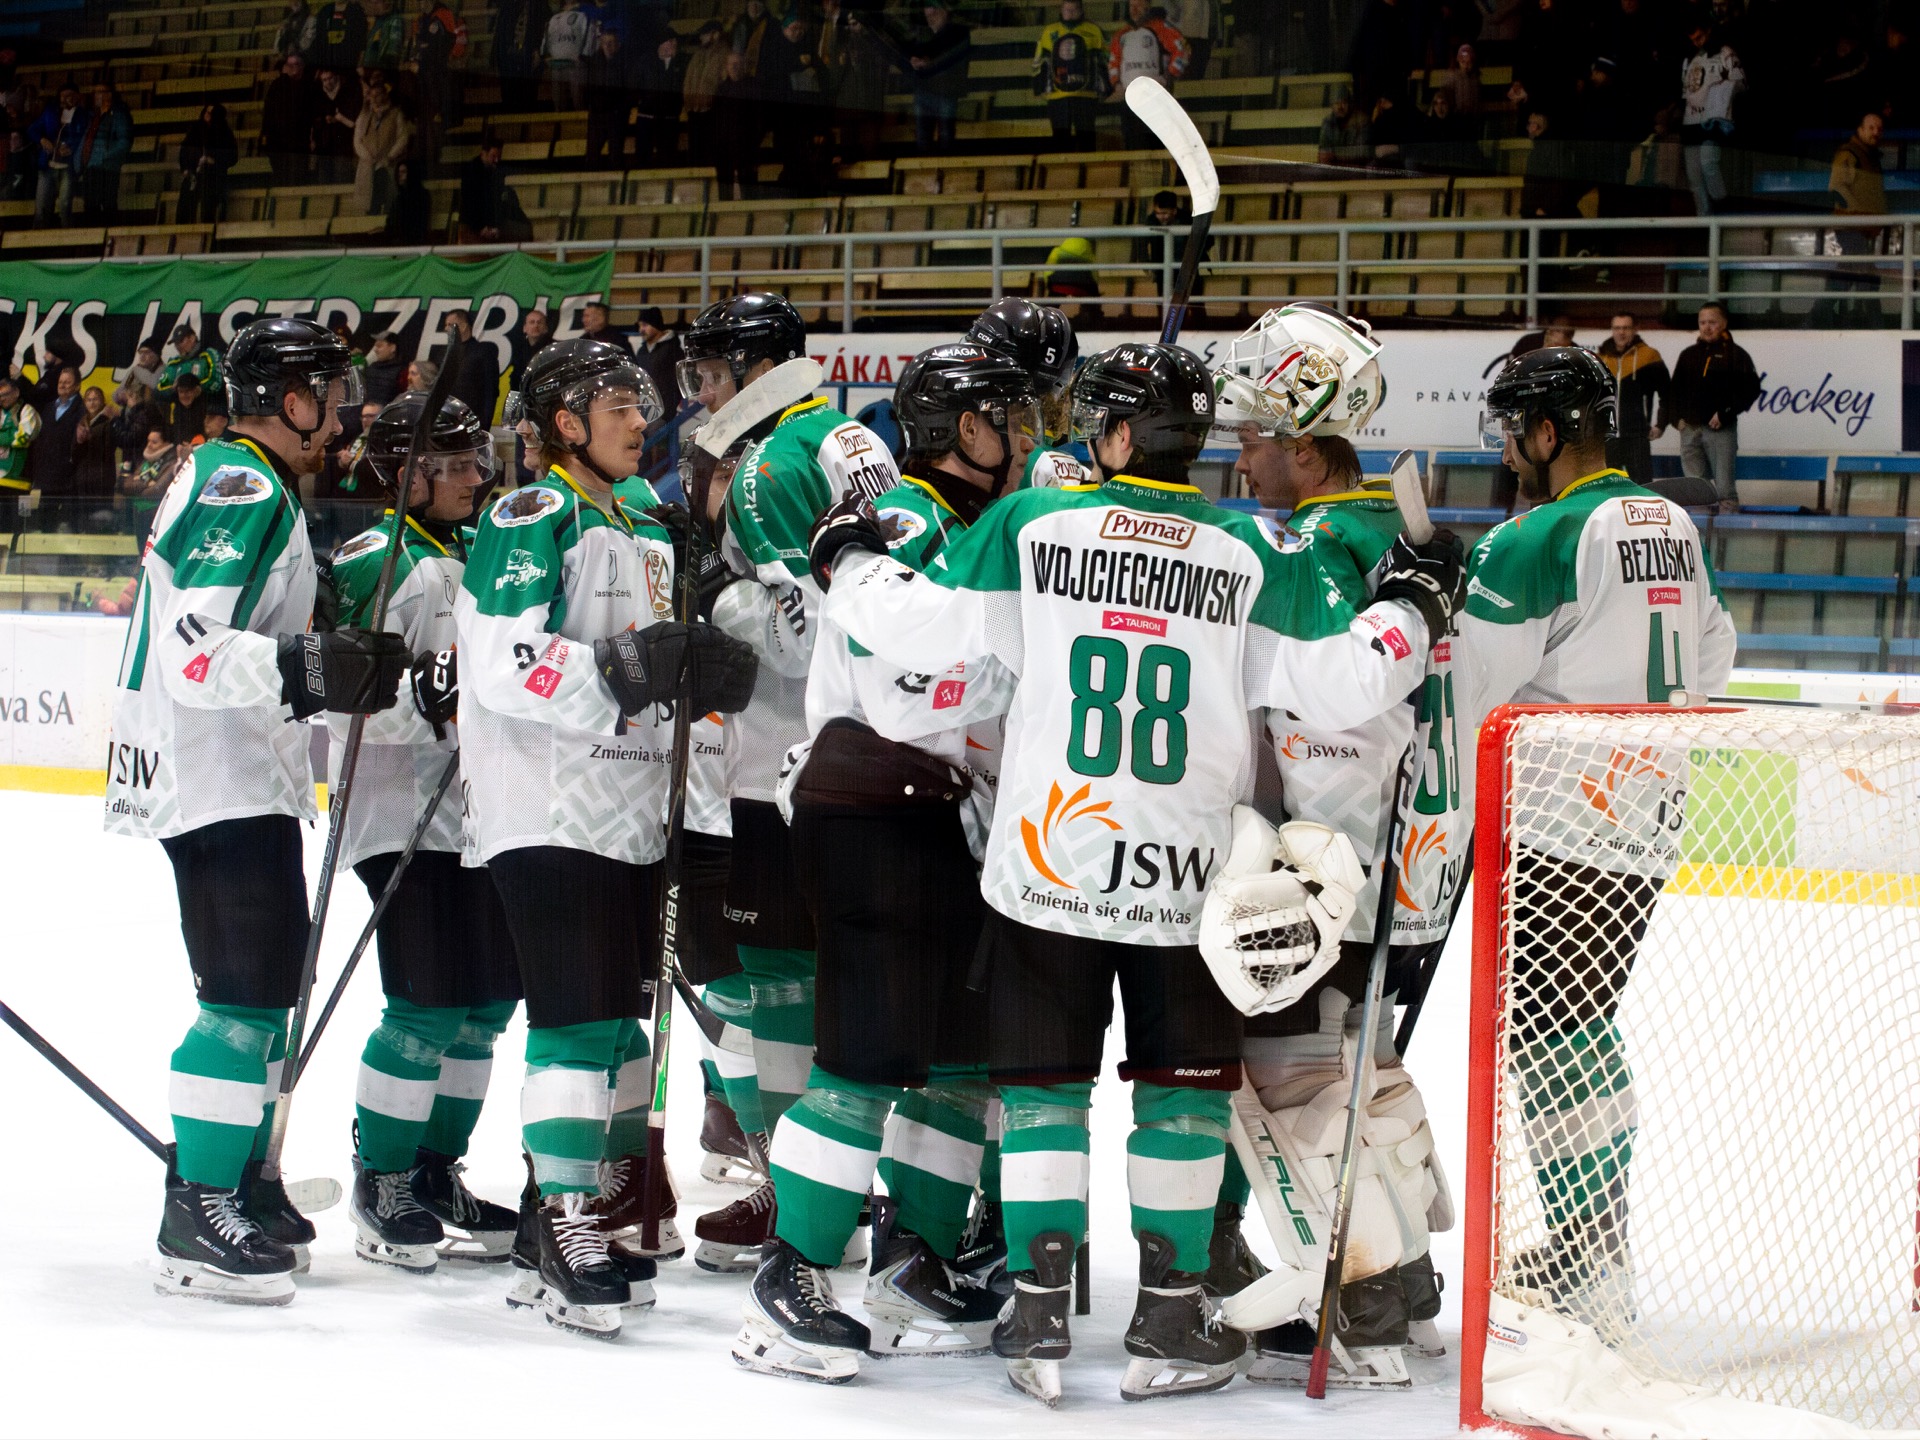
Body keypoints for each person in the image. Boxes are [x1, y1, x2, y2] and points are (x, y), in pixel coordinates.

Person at [807, 340, 1462, 1405]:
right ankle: (1167, 1319)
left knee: (1043, 1094)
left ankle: (1037, 1311)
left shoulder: (1034, 523)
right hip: (1185, 877)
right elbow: (1347, 685)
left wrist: (848, 556)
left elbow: (914, 630)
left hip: (1045, 865)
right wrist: (1415, 604)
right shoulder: (1252, 550)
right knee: (1182, 1099)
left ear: (1113, 435)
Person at [733, 343, 1040, 1380]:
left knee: (956, 1062)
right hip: (871, 808)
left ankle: (913, 1262)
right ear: (965, 428)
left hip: (939, 818)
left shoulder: (973, 524)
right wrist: (1021, 674)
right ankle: (790, 1276)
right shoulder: (907, 518)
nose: (1028, 435)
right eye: (1010, 416)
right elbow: (909, 691)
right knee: (863, 1057)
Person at [455, 337, 754, 1337]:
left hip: (630, 809)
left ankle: (571, 1211)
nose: (640, 421)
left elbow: (650, 670)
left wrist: (699, 677)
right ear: (566, 422)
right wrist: (622, 669)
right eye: (618, 405)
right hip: (546, 806)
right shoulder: (531, 514)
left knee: (620, 1031)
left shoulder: (643, 525)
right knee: (579, 1023)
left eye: (640, 404)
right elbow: (502, 662)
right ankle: (562, 1221)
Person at [103, 317, 403, 1307]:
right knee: (241, 997)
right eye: (330, 392)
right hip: (214, 774)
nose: (342, 413)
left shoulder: (243, 476)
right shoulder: (242, 483)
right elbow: (194, 647)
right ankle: (197, 1208)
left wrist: (315, 658)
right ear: (288, 398)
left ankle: (234, 1175)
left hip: (234, 771)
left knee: (265, 987)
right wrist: (306, 665)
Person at [1208, 303, 1459, 1387]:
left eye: (1254, 441)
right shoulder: (1400, 540)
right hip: (1411, 862)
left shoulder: (1318, 547)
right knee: (1364, 1066)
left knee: (1295, 1077)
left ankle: (1359, 1301)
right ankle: (1407, 1288)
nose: (1241, 460)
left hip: (1328, 868)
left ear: (1307, 452)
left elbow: (1338, 688)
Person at [1463, 346, 1737, 1327]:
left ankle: (1590, 1255)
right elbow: (1716, 647)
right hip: (1648, 813)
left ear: (1546, 433)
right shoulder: (1670, 519)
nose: (1506, 451)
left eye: (1511, 433)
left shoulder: (1535, 537)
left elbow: (1468, 692)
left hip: (1558, 821)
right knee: (1580, 1024)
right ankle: (1592, 1243)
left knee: (1553, 1033)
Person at [676, 293, 902, 1282]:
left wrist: (717, 591)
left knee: (777, 983)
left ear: (759, 367)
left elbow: (809, 634)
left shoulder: (770, 464)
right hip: (863, 757)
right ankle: (830, 1194)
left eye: (712, 372)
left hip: (785, 763)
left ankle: (796, 1195)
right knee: (807, 981)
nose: (702, 393)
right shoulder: (849, 435)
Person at [327, 393, 522, 1273]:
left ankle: (436, 1170)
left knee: (485, 1005)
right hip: (402, 814)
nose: (477, 476)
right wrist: (421, 693)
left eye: (478, 458)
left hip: (481, 815)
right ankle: (383, 1177)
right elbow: (343, 696)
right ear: (405, 476)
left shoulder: (477, 548)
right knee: (428, 1004)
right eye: (454, 463)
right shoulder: (378, 558)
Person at [1668, 301, 1758, 511]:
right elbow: (1674, 391)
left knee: (1725, 490)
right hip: (1689, 429)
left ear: (1724, 324)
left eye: (1712, 322)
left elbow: (1751, 390)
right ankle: (1699, 530)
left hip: (1720, 430)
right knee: (1695, 490)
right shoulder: (1688, 354)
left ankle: (1728, 530)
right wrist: (1676, 420)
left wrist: (1726, 413)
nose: (1707, 327)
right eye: (1703, 323)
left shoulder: (1736, 355)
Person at [1594, 310, 1669, 485]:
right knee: (1608, 488)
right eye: (1617, 328)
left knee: (1642, 486)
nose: (1621, 332)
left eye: (1626, 328)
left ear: (1635, 329)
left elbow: (1667, 394)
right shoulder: (1601, 358)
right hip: (1607, 437)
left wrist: (1661, 424)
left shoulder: (1649, 356)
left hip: (1637, 435)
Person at [1680, 21, 1742, 216]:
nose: (1697, 42)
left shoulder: (1725, 53)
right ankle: (1703, 218)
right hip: (1690, 121)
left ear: (1708, 31)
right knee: (1694, 175)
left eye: (1700, 37)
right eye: (1693, 39)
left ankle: (1723, 207)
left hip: (1714, 119)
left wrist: (1723, 92)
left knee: (1708, 163)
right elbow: (1686, 92)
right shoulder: (1689, 59)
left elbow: (1740, 82)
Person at [1828, 111, 1886, 320]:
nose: (1876, 132)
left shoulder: (1869, 156)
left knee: (1845, 277)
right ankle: (1874, 322)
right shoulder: (1850, 154)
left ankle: (1816, 317)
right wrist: (1858, 212)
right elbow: (1836, 187)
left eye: (1879, 128)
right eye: (1871, 127)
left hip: (1862, 227)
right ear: (1860, 130)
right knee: (1866, 276)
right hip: (1852, 226)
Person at [1109, 0, 1188, 148]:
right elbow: (1113, 61)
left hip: (1156, 96)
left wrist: (1170, 75)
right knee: (1132, 144)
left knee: (1155, 142)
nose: (1134, 10)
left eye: (1139, 5)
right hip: (1129, 98)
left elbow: (1182, 50)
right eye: (1132, 6)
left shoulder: (1162, 28)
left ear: (1148, 6)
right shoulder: (1122, 34)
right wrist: (1116, 83)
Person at [1033, 0, 1106, 150]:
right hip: (1057, 96)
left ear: (1081, 10)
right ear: (1061, 10)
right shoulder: (1049, 31)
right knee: (1060, 142)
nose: (1071, 13)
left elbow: (1105, 59)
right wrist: (1038, 85)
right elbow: (1038, 60)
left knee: (1086, 141)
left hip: (1086, 95)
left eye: (1074, 10)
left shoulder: (1094, 30)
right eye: (1067, 10)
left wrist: (1106, 87)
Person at [909, 2, 971, 155]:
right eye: (928, 13)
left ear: (945, 11)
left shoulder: (958, 32)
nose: (931, 16)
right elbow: (916, 54)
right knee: (924, 140)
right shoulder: (923, 33)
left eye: (934, 12)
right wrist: (914, 60)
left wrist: (929, 63)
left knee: (945, 139)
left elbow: (951, 57)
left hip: (945, 91)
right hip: (926, 90)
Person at [24, 363, 83, 509]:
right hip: (46, 474)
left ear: (77, 386)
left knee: (65, 518)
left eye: (67, 382)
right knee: (45, 516)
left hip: (69, 476)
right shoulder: (48, 407)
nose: (62, 385)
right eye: (60, 382)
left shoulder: (82, 410)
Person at [28, 83, 86, 227]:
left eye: (70, 95)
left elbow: (84, 136)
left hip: (68, 166)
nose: (66, 99)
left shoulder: (84, 115)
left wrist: (70, 146)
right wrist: (42, 139)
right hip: (48, 165)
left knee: (65, 205)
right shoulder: (50, 112)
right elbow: (32, 129)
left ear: (77, 97)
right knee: (41, 206)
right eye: (63, 96)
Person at [75, 83, 131, 227]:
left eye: (102, 92)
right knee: (90, 205)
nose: (98, 96)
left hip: (107, 166)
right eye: (96, 92)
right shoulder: (93, 116)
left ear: (110, 95)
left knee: (107, 204)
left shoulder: (118, 115)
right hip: (91, 165)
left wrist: (105, 156)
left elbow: (124, 141)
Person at [352, 76, 411, 215]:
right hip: (368, 165)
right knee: (370, 204)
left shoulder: (396, 114)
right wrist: (367, 156)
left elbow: (402, 137)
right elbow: (357, 139)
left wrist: (390, 155)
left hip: (387, 163)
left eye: (378, 95)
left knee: (389, 200)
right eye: (371, 95)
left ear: (385, 95)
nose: (374, 98)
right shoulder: (365, 115)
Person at [262, 53, 320, 189]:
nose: (292, 67)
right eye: (289, 64)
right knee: (280, 177)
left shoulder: (310, 86)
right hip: (278, 141)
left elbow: (313, 113)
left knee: (297, 177)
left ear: (302, 66)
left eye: (296, 64)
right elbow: (268, 112)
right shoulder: (277, 85)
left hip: (299, 141)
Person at [176, 103, 238, 225]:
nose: (207, 115)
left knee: (209, 193)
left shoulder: (225, 133)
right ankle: (182, 226)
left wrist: (212, 160)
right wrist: (185, 168)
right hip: (194, 174)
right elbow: (184, 151)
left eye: (211, 113)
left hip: (214, 176)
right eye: (206, 112)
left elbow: (232, 157)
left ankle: (207, 226)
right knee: (186, 194)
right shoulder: (195, 130)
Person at [634, 29, 686, 167]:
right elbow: (636, 84)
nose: (674, 43)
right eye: (671, 40)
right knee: (643, 158)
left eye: (675, 40)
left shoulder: (681, 63)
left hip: (669, 119)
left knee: (667, 159)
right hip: (647, 118)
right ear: (662, 43)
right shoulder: (646, 61)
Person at [441, 308, 500, 425]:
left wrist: (485, 424)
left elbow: (490, 392)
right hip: (449, 420)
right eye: (446, 325)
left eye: (450, 325)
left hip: (473, 419)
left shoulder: (483, 352)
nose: (446, 329)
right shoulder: (446, 354)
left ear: (463, 326)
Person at [683, 20, 729, 165]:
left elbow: (724, 83)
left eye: (705, 34)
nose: (701, 37)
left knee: (710, 153)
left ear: (715, 34)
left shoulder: (724, 54)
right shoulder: (698, 55)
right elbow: (688, 80)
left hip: (712, 112)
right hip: (695, 111)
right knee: (695, 153)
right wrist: (689, 104)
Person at [310, 66, 362, 184]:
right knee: (324, 177)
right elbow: (315, 117)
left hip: (343, 142)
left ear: (336, 77)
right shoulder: (319, 95)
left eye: (330, 78)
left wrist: (338, 118)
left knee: (342, 175)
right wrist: (324, 119)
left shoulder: (346, 92)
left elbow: (352, 118)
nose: (328, 82)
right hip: (325, 144)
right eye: (324, 80)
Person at [0, 375, 39, 530]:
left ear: (16, 392)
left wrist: (3, 437)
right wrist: (10, 435)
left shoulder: (27, 410)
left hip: (21, 484)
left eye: (5, 394)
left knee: (20, 526)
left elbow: (23, 439)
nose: (2, 399)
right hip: (1, 483)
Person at [542, 0, 595, 111]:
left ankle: (580, 120)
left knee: (578, 98)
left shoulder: (583, 15)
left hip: (575, 63)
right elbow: (547, 36)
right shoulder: (554, 17)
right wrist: (546, 55)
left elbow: (589, 34)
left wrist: (583, 56)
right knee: (558, 101)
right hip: (556, 63)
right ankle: (558, 120)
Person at [634, 306, 682, 416]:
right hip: (646, 408)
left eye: (645, 325)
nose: (641, 330)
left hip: (666, 411)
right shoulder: (642, 351)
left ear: (656, 325)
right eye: (639, 326)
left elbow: (676, 383)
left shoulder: (673, 350)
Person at [160, 324, 223, 400]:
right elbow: (158, 390)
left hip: (209, 404)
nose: (178, 346)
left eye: (181, 341)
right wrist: (173, 390)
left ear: (192, 338)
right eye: (176, 343)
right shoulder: (173, 364)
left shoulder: (209, 355)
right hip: (179, 406)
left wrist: (193, 388)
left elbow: (218, 382)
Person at [305, 0, 369, 71]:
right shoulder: (325, 10)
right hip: (326, 62)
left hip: (348, 62)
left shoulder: (356, 12)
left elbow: (361, 41)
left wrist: (359, 63)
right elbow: (319, 38)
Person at [1317, 86, 1372, 165]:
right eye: (1337, 103)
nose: (1340, 107)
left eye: (1344, 103)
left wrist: (1334, 154)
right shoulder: (1328, 122)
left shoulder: (1362, 121)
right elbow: (1323, 151)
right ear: (1332, 106)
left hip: (1356, 167)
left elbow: (1362, 152)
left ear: (1350, 104)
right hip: (1334, 167)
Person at [382, 157, 432, 243]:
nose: (399, 175)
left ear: (412, 173)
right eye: (399, 172)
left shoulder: (420, 196)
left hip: (411, 243)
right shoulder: (399, 197)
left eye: (403, 172)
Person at [162, 372, 214, 446]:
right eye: (181, 392)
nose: (184, 395)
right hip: (180, 446)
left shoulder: (208, 405)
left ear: (197, 390)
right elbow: (175, 431)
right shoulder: (176, 405)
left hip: (202, 445)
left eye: (187, 391)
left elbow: (208, 432)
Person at [362, 331, 405, 404]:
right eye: (375, 346)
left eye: (379, 346)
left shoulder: (402, 372)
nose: (375, 350)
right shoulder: (371, 368)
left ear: (393, 348)